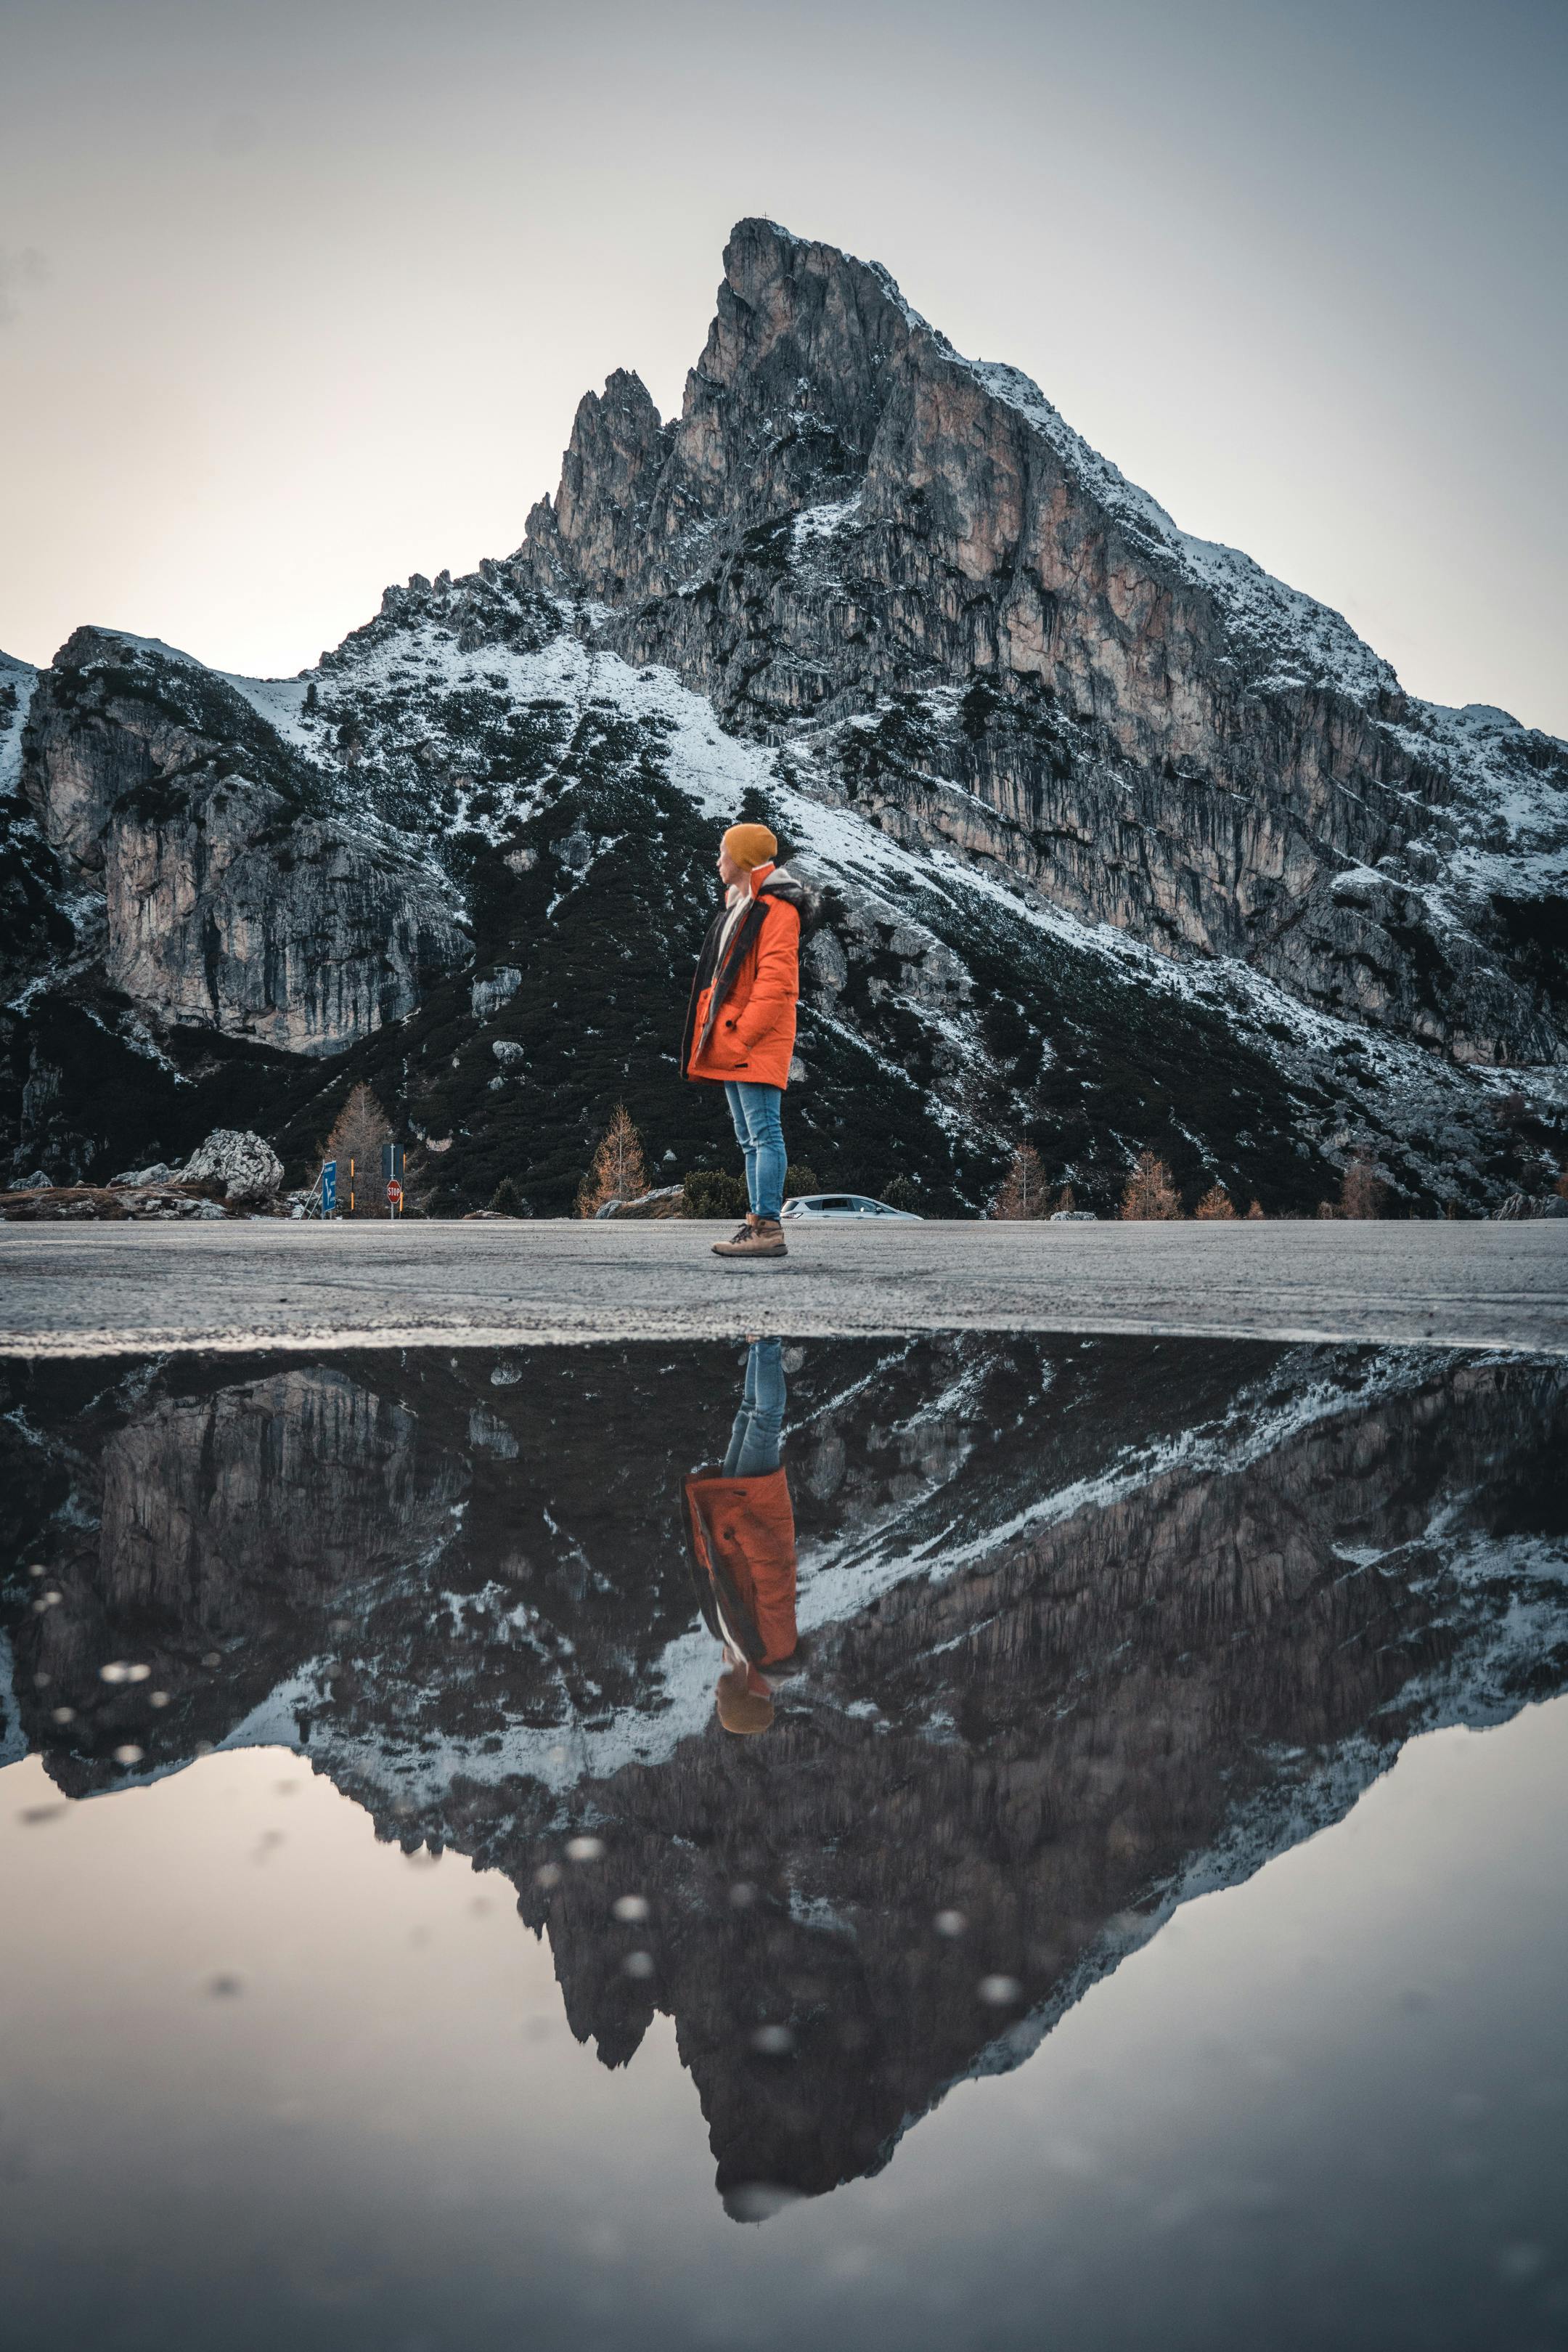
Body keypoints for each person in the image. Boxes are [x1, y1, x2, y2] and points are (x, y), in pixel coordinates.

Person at [681, 821, 809, 1261]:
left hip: (753, 1041)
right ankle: (757, 1221)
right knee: (749, 1136)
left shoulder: (777, 910)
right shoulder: (745, 906)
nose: (718, 860)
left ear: (743, 859)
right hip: (738, 1038)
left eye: (724, 853)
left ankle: (768, 1226)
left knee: (764, 1133)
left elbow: (777, 984)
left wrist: (742, 1034)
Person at [684, 1338, 799, 1736]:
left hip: (732, 1514)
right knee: (765, 1420)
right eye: (721, 1701)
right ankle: (767, 1342)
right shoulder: (774, 1651)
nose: (715, 1695)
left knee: (747, 1414)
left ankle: (757, 1346)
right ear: (741, 1696)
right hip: (752, 1513)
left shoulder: (742, 1654)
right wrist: (738, 1527)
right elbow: (774, 1576)